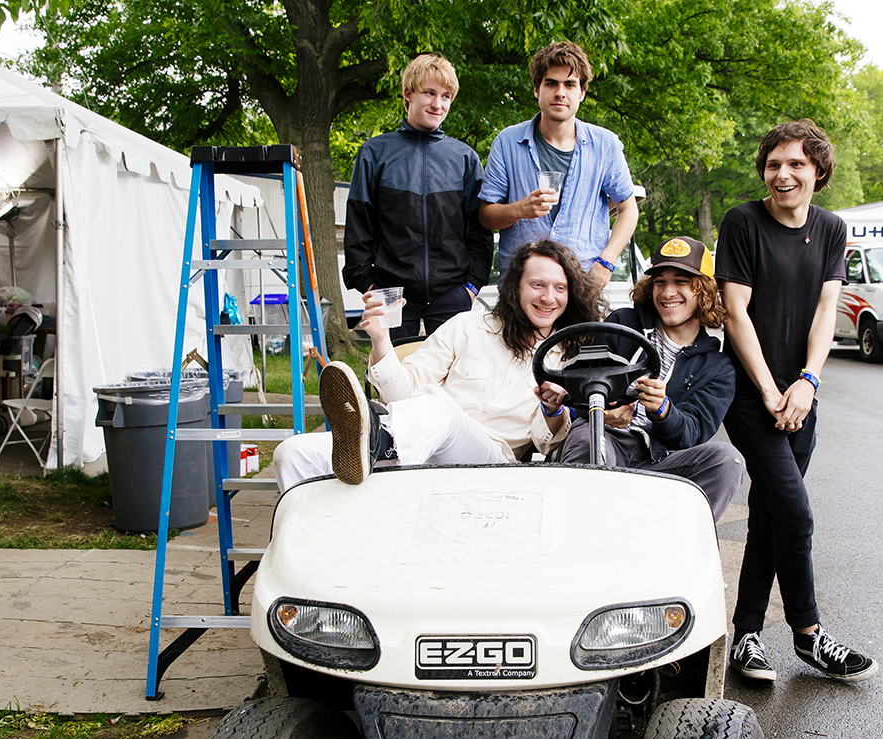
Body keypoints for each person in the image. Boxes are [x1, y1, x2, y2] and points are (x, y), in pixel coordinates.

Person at [713, 120, 878, 685]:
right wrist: (768, 390)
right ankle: (809, 636)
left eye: (796, 165)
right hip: (750, 393)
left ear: (819, 173)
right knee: (796, 511)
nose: (782, 175)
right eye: (774, 164)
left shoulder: (832, 229)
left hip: (800, 397)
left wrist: (807, 381)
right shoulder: (743, 223)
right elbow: (735, 313)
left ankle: (748, 638)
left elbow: (826, 311)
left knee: (770, 514)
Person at [272, 240, 600, 489]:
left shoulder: (569, 355)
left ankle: (376, 439)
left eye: (560, 288)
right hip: (419, 444)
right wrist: (381, 338)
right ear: (515, 287)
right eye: (538, 285)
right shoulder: (468, 326)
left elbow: (548, 444)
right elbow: (403, 395)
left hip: (492, 463)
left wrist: (553, 410)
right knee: (292, 453)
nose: (549, 298)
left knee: (438, 406)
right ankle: (313, 549)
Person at [550, 236, 744, 521]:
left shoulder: (717, 366)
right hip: (605, 438)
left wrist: (663, 410)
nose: (668, 292)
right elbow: (580, 389)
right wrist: (605, 409)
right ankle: (581, 535)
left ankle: (676, 547)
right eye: (659, 282)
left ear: (703, 289)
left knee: (728, 460)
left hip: (661, 459)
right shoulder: (623, 324)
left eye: (681, 282)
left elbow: (692, 432)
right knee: (589, 437)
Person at [341, 54, 492, 346]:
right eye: (430, 93)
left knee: (452, 381)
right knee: (389, 376)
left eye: (446, 96)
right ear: (408, 94)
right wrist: (369, 285)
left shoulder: (465, 159)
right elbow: (358, 227)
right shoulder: (374, 154)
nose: (438, 104)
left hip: (452, 292)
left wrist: (472, 285)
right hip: (390, 292)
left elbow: (480, 230)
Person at [477, 41, 637, 287]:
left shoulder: (605, 145)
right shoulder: (507, 142)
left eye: (570, 84)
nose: (560, 92)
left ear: (581, 92)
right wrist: (520, 209)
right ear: (536, 89)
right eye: (551, 83)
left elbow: (628, 210)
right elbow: (486, 216)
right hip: (522, 284)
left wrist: (606, 262)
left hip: (583, 283)